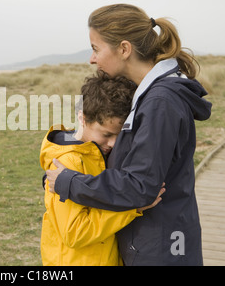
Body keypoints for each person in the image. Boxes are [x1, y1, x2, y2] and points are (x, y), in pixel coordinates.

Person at [46, 4, 212, 266]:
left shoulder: (160, 102)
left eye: (95, 48)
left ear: (124, 49)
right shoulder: (149, 95)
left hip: (161, 251)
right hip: (153, 242)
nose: (92, 59)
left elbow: (141, 187)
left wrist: (68, 182)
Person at [40, 71, 164, 266]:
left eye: (119, 136)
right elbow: (75, 233)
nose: (113, 143)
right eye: (107, 134)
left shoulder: (98, 152)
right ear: (83, 118)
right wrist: (132, 208)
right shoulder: (67, 162)